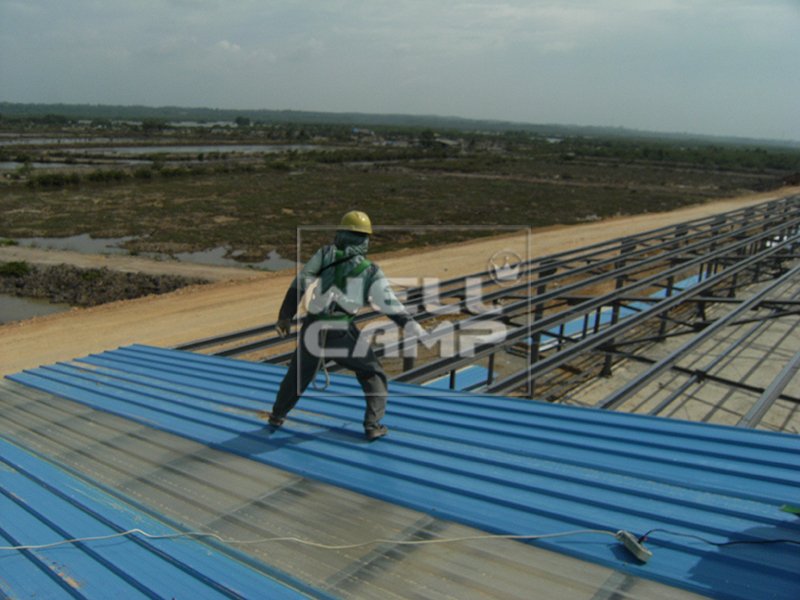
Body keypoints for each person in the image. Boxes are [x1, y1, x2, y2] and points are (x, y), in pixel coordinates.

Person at [269, 210, 425, 441]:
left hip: (312, 327)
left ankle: (277, 415)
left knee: (297, 376)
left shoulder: (324, 254)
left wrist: (285, 315)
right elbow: (390, 304)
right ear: (365, 239)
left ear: (340, 233)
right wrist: (413, 327)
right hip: (339, 331)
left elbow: (300, 281)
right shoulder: (370, 270)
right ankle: (373, 425)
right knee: (373, 373)